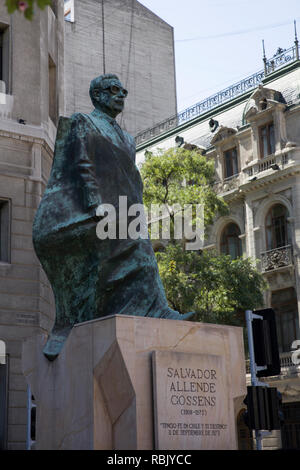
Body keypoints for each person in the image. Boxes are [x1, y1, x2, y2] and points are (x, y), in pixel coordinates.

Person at [33, 74, 193, 360]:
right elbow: (81, 164)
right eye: (113, 90)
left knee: (141, 246)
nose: (121, 96)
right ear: (97, 96)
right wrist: (95, 205)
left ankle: (151, 308)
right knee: (138, 242)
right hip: (86, 214)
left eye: (123, 91)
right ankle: (155, 309)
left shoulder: (128, 139)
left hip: (123, 214)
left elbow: (130, 180)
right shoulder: (84, 122)